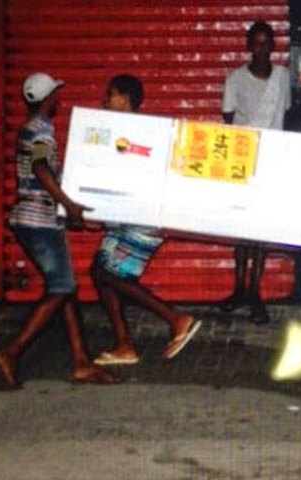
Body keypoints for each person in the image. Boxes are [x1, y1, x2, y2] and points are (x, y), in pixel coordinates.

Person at [0, 72, 117, 388]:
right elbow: (40, 167)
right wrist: (69, 204)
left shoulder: (30, 127)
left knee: (67, 289)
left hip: (38, 217)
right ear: (49, 99)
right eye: (55, 94)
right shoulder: (42, 131)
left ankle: (81, 363)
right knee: (61, 288)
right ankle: (12, 352)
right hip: (38, 221)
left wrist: (70, 212)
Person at [91, 74, 202, 366]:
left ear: (125, 99)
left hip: (142, 215)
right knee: (100, 272)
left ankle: (176, 318)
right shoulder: (118, 131)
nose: (105, 99)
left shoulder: (139, 132)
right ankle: (124, 345)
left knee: (110, 275)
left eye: (111, 94)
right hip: (122, 216)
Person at [220, 20, 291, 324]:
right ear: (249, 46)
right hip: (244, 159)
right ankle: (238, 289)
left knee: (260, 231)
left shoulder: (283, 77)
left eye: (266, 43)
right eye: (256, 43)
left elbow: (284, 113)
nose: (261, 49)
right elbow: (227, 116)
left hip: (272, 160)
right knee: (240, 229)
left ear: (273, 46)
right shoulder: (235, 79)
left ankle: (255, 292)